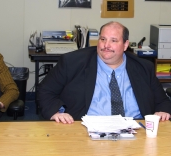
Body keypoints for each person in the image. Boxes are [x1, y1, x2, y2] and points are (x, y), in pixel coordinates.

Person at [38, 21, 171, 124]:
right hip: (87, 129)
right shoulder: (72, 62)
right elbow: (45, 91)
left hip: (134, 131)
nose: (106, 45)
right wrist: (57, 112)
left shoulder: (143, 68)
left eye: (113, 41)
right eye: (103, 39)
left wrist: (163, 112)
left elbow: (163, 101)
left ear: (125, 45)